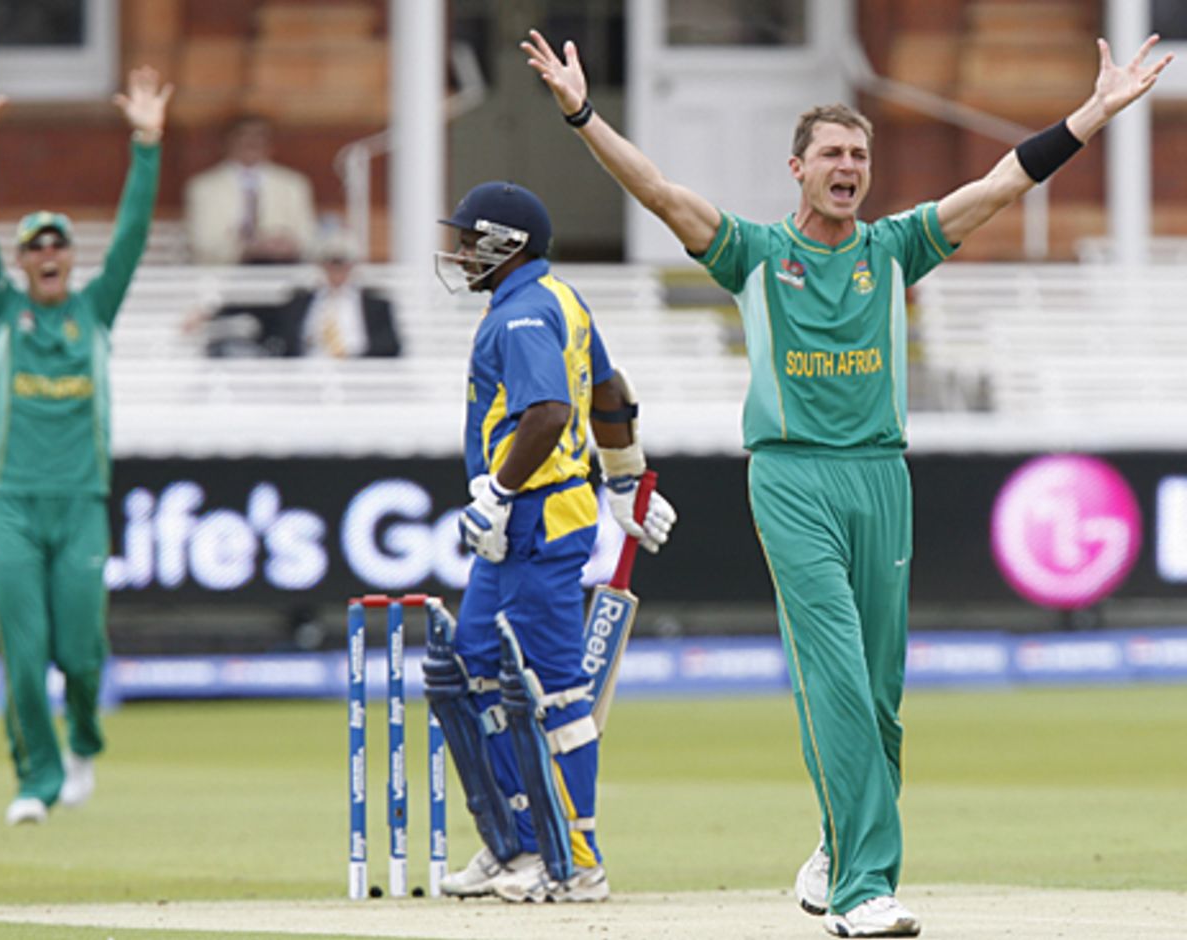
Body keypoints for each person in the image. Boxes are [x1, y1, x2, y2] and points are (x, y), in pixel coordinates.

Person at [521, 28, 1170, 937]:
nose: (849, 168)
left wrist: (1091, 115)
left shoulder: (897, 247)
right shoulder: (752, 252)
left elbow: (1000, 185)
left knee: (879, 698)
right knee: (834, 676)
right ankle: (864, 889)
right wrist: (582, 113)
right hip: (793, 479)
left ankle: (835, 848)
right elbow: (660, 192)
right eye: (831, 154)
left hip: (881, 477)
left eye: (859, 156)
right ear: (798, 169)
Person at [423, 181, 677, 903]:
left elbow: (550, 412)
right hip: (525, 520)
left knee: (554, 690)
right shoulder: (557, 299)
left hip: (538, 518)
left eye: (471, 240)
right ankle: (519, 843)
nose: (461, 253)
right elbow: (612, 391)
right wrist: (624, 477)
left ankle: (577, 859)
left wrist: (499, 494)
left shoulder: (525, 314)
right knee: (472, 668)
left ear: (508, 244)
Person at [0, 64, 172, 826]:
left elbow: (133, 238)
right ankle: (36, 780)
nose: (47, 254)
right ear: (21, 261)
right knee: (24, 655)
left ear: (70, 258)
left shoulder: (94, 311)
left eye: (58, 245)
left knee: (80, 652)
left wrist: (147, 145)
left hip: (81, 502)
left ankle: (83, 740)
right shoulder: (0, 309)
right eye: (34, 247)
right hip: (11, 502)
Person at [202, 229, 401, 358]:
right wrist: (209, 314)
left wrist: (350, 357)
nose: (336, 271)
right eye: (330, 263)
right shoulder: (300, 301)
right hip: (305, 375)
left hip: (360, 376)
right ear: (320, 265)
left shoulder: (376, 305)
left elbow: (390, 345)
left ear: (353, 266)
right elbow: (261, 314)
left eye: (342, 263)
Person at [184, 115, 318, 265]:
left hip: (283, 268)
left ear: (270, 145)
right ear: (227, 142)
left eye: (259, 136)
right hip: (225, 270)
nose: (252, 142)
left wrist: (286, 245)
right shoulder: (204, 186)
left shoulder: (292, 184)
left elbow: (308, 236)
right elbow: (201, 241)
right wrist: (246, 249)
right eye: (243, 136)